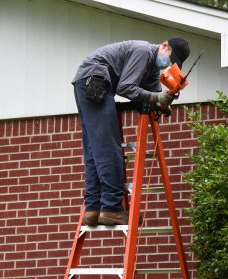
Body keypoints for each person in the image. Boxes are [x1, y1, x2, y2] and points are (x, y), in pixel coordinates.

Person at [72, 38, 190, 226]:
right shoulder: (143, 51)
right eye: (169, 58)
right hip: (96, 80)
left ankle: (93, 209)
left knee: (95, 149)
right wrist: (155, 97)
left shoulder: (152, 69)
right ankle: (111, 208)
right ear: (165, 45)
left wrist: (162, 103)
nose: (167, 64)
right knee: (109, 148)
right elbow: (126, 87)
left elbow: (152, 93)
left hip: (87, 80)